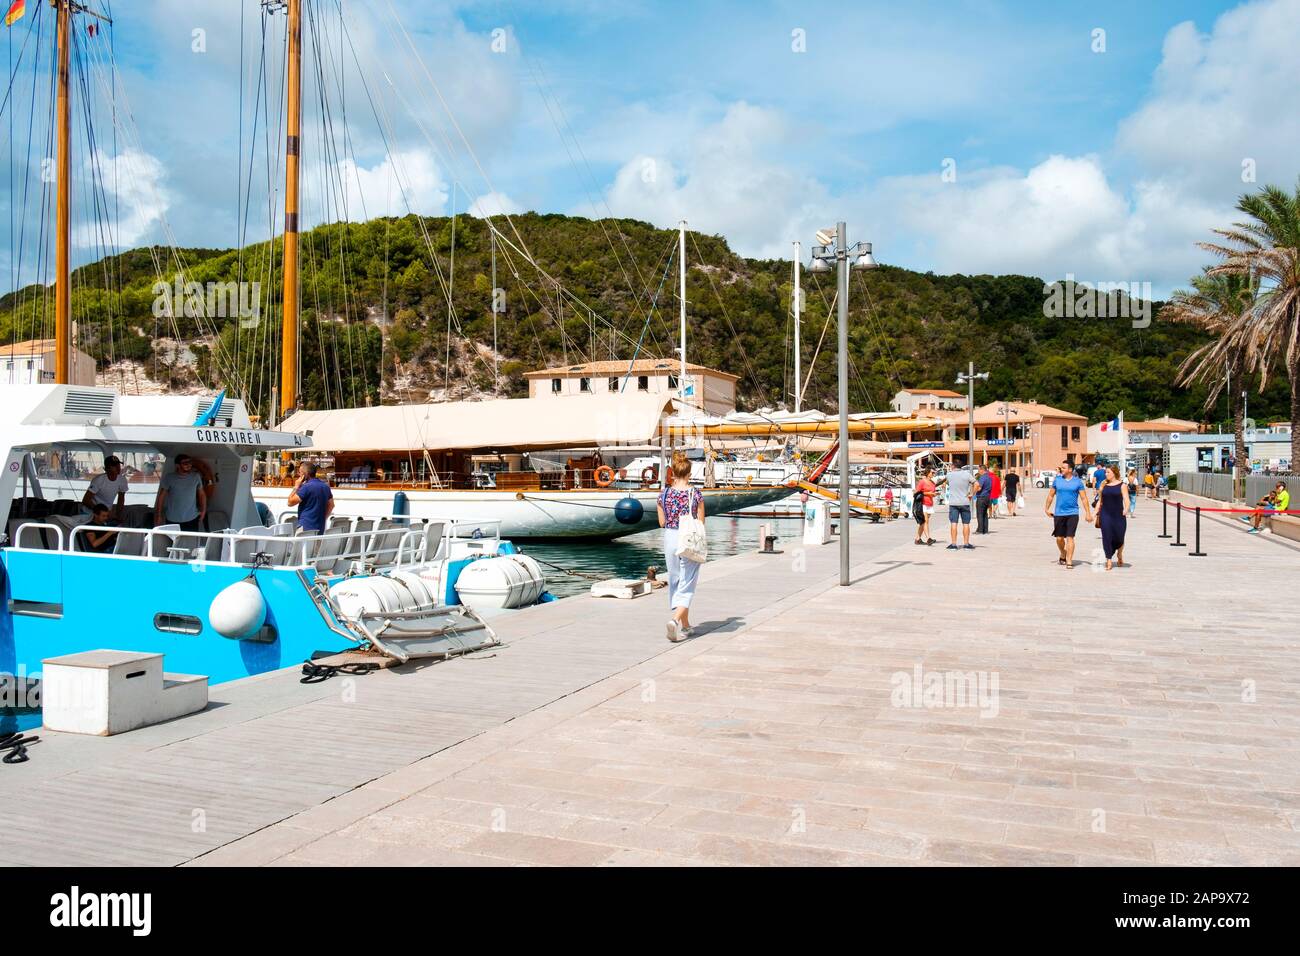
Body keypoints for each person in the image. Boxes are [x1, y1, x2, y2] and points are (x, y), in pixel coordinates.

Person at [657, 451, 705, 642]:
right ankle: (675, 621)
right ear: (689, 473)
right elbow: (701, 521)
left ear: (673, 472)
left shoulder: (663, 494)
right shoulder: (696, 494)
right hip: (689, 538)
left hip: (670, 537)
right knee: (688, 583)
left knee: (676, 580)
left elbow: (661, 522)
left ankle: (686, 625)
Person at [1044, 459, 1091, 569]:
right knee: (1059, 538)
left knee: (1070, 537)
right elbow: (1051, 495)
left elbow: (1084, 498)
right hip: (1059, 513)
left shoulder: (1078, 482)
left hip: (1073, 513)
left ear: (1070, 469)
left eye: (1064, 468)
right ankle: (1063, 552)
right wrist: (1046, 509)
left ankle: (1069, 560)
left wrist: (1088, 513)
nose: (1061, 469)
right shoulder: (1057, 480)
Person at [153, 453, 206, 531]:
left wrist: (203, 510)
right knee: (173, 543)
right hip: (172, 519)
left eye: (190, 462)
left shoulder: (196, 477)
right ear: (177, 465)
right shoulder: (169, 478)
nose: (189, 465)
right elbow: (161, 497)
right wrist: (159, 515)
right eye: (185, 463)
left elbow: (202, 494)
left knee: (191, 542)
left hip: (192, 518)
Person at [1094, 465, 1127, 570]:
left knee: (1119, 537)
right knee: (1107, 537)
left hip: (1119, 515)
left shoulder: (1122, 485)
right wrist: (1093, 514)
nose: (1106, 474)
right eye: (1106, 472)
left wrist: (1126, 509)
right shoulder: (1104, 485)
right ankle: (1108, 560)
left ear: (1114, 473)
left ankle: (1119, 554)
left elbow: (1127, 500)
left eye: (1108, 472)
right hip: (1105, 515)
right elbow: (1100, 501)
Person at [288, 462, 334, 534]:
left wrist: (296, 487)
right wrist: (323, 518)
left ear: (304, 474)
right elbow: (331, 505)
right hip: (320, 527)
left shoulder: (306, 487)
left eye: (300, 472)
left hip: (305, 528)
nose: (298, 474)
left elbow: (290, 502)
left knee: (300, 545)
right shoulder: (325, 487)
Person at [82, 454, 128, 521]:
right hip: (89, 513)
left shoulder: (122, 480)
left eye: (118, 464)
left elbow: (121, 499)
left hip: (106, 514)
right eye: (114, 465)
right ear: (107, 468)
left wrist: (118, 515)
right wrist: (101, 512)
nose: (118, 467)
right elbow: (86, 500)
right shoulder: (99, 480)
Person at [945, 464, 976, 550]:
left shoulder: (949, 475)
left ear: (953, 466)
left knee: (953, 523)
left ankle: (954, 545)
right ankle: (966, 544)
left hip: (953, 503)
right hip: (965, 502)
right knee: (966, 524)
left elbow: (947, 483)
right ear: (961, 466)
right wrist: (972, 494)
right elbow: (977, 484)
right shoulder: (967, 474)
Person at [914, 467, 937, 545]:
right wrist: (928, 493)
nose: (933, 474)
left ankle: (917, 539)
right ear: (927, 473)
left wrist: (934, 494)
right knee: (925, 521)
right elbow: (916, 493)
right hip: (922, 503)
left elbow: (932, 493)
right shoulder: (922, 482)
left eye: (934, 473)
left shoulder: (933, 483)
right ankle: (928, 539)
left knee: (922, 523)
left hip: (929, 503)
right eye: (932, 472)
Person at [974, 464, 993, 535]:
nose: (978, 471)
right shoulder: (989, 477)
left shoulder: (982, 478)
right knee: (985, 514)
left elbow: (979, 487)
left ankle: (980, 530)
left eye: (979, 470)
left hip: (981, 497)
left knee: (980, 514)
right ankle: (985, 529)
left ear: (982, 470)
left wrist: (973, 491)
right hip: (987, 497)